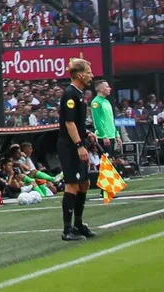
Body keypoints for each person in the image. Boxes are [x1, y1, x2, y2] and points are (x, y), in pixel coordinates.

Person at [58, 58, 96, 241]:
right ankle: (67, 229)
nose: (92, 75)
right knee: (72, 184)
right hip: (70, 146)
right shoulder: (70, 94)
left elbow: (77, 123)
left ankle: (79, 223)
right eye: (89, 72)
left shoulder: (79, 94)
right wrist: (79, 145)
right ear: (80, 75)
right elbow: (69, 122)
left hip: (77, 142)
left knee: (84, 183)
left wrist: (86, 132)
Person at [89, 79, 119, 166]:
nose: (109, 88)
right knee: (105, 161)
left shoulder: (107, 101)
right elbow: (97, 120)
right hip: (103, 136)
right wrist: (104, 135)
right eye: (107, 87)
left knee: (111, 160)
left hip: (111, 135)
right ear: (101, 89)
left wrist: (117, 134)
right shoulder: (96, 102)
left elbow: (111, 120)